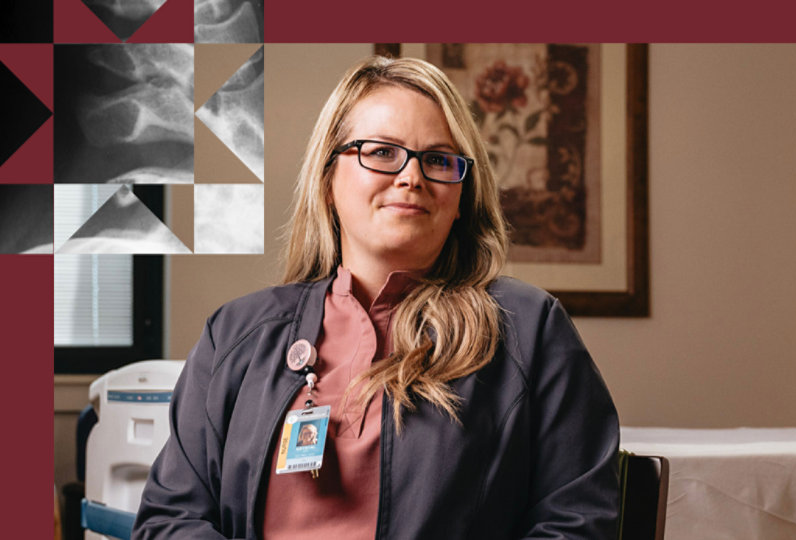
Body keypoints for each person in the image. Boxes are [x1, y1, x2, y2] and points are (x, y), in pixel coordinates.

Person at [133, 55, 619, 540]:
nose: (411, 177)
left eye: (437, 160)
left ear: (460, 200)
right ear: (327, 180)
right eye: (382, 152)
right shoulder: (235, 334)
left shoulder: (528, 330)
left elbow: (578, 523)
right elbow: (170, 520)